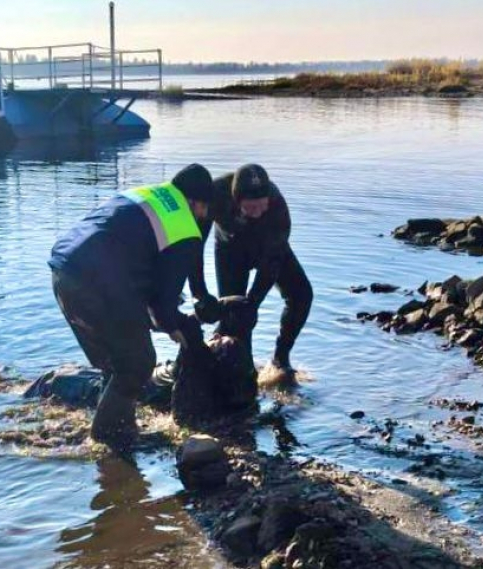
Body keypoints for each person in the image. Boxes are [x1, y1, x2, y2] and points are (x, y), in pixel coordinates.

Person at [47, 164, 213, 448]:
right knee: (139, 363)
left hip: (63, 272)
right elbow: (163, 303)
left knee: (115, 363)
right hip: (98, 283)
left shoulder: (144, 194)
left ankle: (116, 428)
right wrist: (175, 327)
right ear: (197, 202)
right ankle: (110, 439)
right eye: (204, 210)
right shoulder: (184, 227)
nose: (203, 217)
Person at [190, 164, 313, 383]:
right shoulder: (216, 194)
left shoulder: (277, 208)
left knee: (302, 295)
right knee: (234, 321)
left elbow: (271, 266)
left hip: (269, 247)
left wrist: (252, 303)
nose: (257, 213)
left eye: (261, 207)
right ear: (236, 201)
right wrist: (199, 293)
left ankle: (280, 358)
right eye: (250, 208)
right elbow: (194, 245)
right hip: (230, 249)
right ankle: (236, 373)